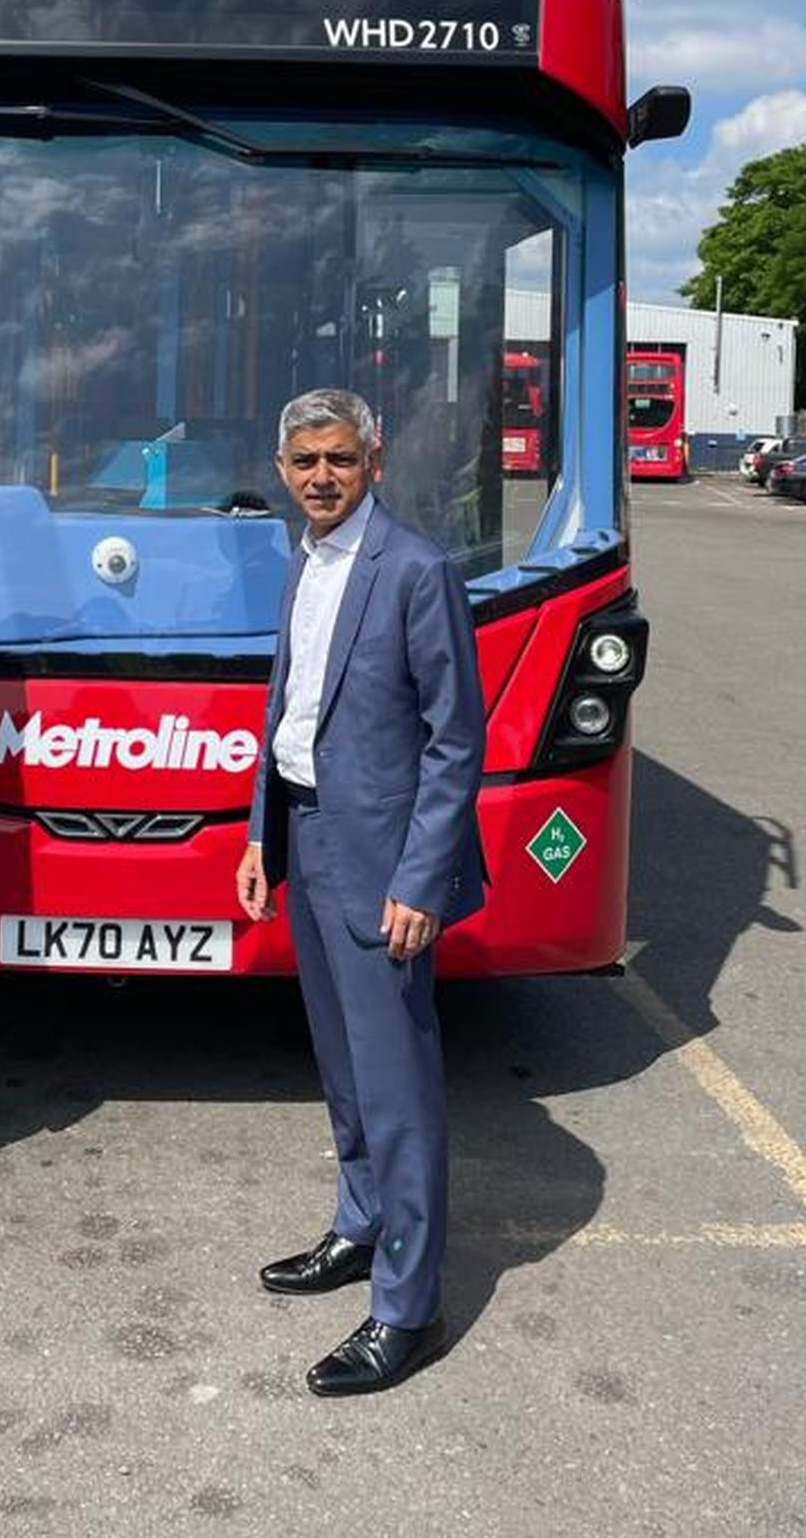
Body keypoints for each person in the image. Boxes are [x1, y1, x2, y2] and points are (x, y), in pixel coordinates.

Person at [237, 386, 485, 1397]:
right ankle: (358, 1221)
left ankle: (405, 1305)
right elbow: (290, 705)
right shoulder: (301, 554)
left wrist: (422, 877)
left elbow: (454, 737)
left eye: (339, 458)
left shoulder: (416, 569)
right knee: (342, 1067)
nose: (321, 476)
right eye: (304, 460)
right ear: (284, 466)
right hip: (306, 834)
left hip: (384, 865)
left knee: (397, 1086)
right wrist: (261, 833)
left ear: (374, 461)